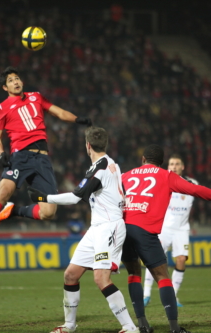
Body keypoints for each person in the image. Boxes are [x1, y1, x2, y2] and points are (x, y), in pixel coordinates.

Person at [27, 126, 139, 333]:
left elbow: (77, 196)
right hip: (96, 228)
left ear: (87, 145)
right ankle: (69, 325)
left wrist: (44, 198)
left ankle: (130, 327)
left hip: (109, 228)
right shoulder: (108, 164)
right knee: (70, 275)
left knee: (101, 278)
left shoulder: (101, 167)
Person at [0, 66, 91, 254]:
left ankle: (12, 212)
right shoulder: (0, 109)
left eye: (17, 78)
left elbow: (59, 112)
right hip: (20, 157)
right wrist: (1, 154)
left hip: (42, 159)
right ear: (5, 87)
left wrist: (78, 120)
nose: (16, 82)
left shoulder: (36, 97)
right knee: (3, 192)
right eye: (11, 80)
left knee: (49, 213)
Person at [122, 144, 211, 333]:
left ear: (143, 160)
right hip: (145, 231)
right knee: (163, 276)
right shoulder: (166, 176)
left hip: (123, 229)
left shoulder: (126, 175)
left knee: (133, 274)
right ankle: (174, 328)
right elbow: (198, 191)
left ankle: (142, 324)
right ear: (163, 163)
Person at [143, 154, 197, 308]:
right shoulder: (161, 181)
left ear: (182, 167)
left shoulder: (191, 183)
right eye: (171, 164)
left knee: (181, 260)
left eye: (177, 164)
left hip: (181, 229)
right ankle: (146, 294)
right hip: (164, 228)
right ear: (168, 167)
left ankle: (173, 296)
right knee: (153, 260)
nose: (174, 166)